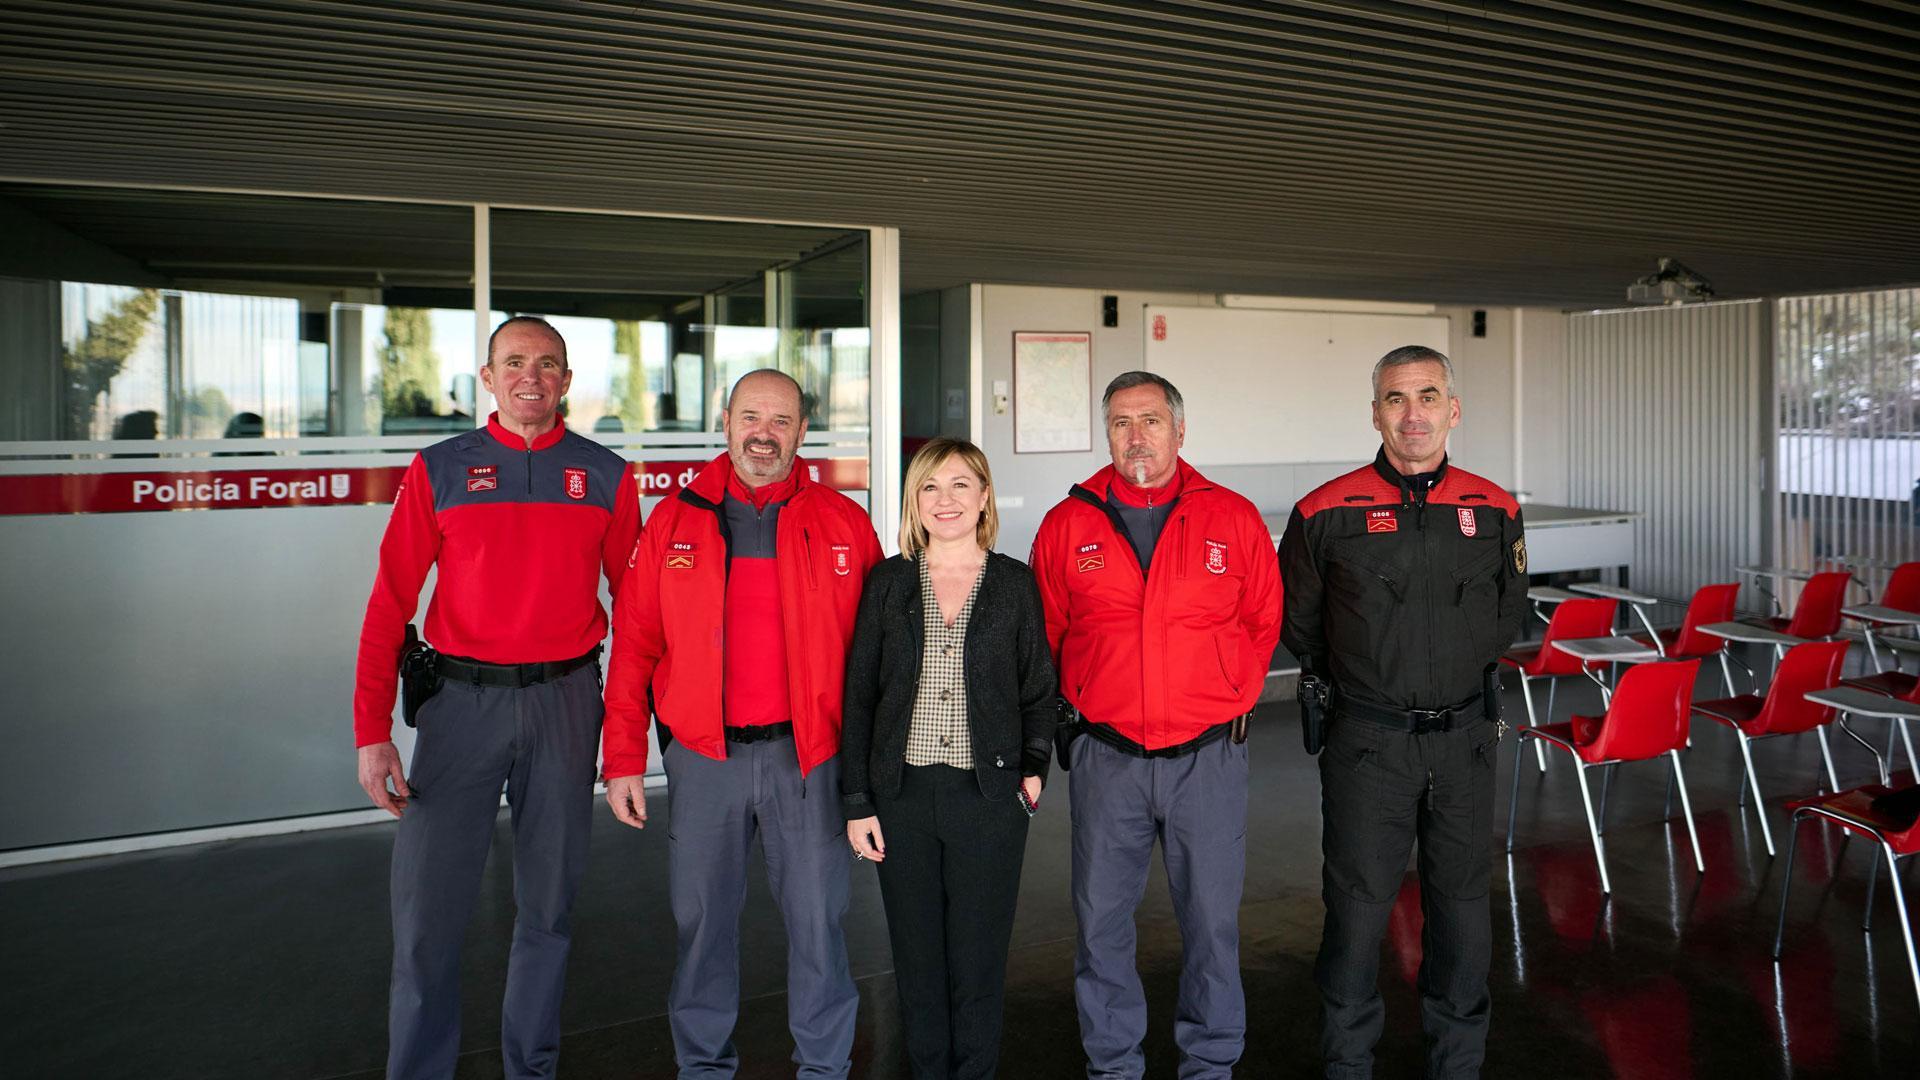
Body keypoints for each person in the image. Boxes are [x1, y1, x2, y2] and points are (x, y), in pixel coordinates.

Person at [352, 315, 642, 1080]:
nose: (532, 377)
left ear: (567, 382)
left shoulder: (606, 475)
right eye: (515, 362)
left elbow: (640, 616)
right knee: (427, 920)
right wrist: (371, 731)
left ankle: (531, 1068)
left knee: (548, 912)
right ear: (487, 378)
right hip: (458, 708)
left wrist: (625, 747)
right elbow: (389, 603)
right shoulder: (440, 468)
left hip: (568, 701)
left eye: (548, 365)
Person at [602, 369, 882, 1080]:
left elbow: (879, 656)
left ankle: (825, 1067)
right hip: (705, 760)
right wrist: (624, 756)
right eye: (751, 416)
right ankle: (702, 1068)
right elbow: (635, 643)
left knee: (819, 925)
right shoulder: (674, 519)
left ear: (802, 431)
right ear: (726, 421)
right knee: (701, 928)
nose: (764, 432)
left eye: (781, 420)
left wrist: (873, 771)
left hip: (810, 759)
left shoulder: (844, 520)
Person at [1278, 345, 1527, 1079]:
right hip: (1369, 746)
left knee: (1461, 910)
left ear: (1453, 410)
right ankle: (1348, 1062)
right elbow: (1303, 624)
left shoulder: (1495, 507)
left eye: (1427, 396)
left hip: (1466, 744)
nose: (1411, 413)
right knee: (1355, 914)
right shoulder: (1325, 511)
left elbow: (1507, 615)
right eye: (1395, 398)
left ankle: (1458, 1064)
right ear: (1375, 411)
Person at [1030, 371, 1283, 1080]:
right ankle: (1113, 1065)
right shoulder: (1067, 523)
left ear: (1179, 430)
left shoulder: (1231, 517)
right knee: (1101, 925)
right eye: (1119, 422)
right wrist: (1074, 712)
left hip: (1207, 759)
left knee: (1211, 926)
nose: (1135, 436)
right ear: (1104, 433)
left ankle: (1210, 1063)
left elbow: (1265, 620)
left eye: (1149, 420)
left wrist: (1230, 692)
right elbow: (1047, 632)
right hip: (1107, 757)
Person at [840, 438, 1057, 1080]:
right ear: (914, 501)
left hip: (988, 802)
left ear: (985, 496)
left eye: (961, 485)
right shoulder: (888, 581)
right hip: (900, 799)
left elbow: (1039, 688)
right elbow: (859, 696)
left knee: (977, 961)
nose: (946, 500)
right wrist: (858, 801)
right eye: (931, 487)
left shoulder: (1014, 583)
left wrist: (1034, 773)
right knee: (917, 961)